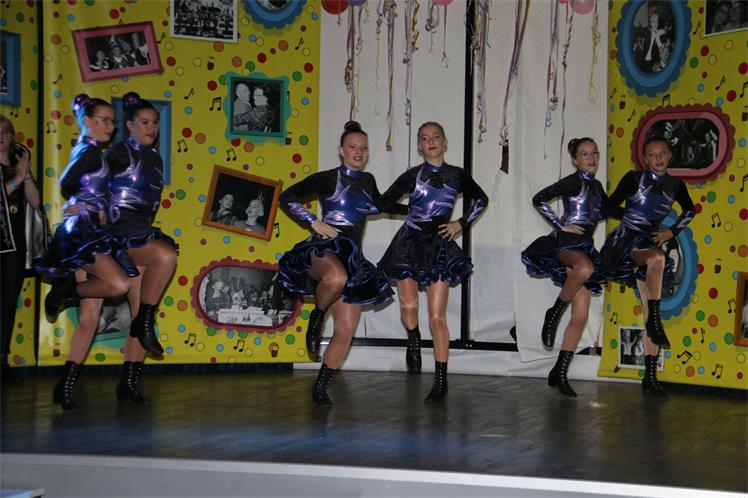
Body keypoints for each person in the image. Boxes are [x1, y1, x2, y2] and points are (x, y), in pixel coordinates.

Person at [278, 121, 406, 407]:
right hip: (323, 248)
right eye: (353, 147)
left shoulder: (368, 180)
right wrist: (313, 221)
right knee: (335, 278)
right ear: (341, 150)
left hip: (353, 259)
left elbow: (379, 205)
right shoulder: (328, 178)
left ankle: (320, 386)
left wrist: (413, 210)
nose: (358, 152)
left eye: (363, 148)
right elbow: (287, 197)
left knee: (346, 331)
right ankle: (316, 319)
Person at [34, 94, 135, 411]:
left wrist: (95, 207)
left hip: (89, 231)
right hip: (82, 233)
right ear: (87, 121)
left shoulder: (94, 152)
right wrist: (78, 203)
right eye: (103, 120)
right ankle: (65, 291)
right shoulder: (89, 151)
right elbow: (67, 182)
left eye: (113, 121)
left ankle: (64, 386)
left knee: (90, 318)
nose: (110, 126)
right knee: (118, 284)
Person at [377, 122, 488, 402]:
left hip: (439, 244)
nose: (431, 142)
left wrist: (460, 223)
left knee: (437, 315)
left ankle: (440, 379)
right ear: (419, 145)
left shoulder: (457, 175)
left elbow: (481, 199)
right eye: (425, 139)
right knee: (409, 306)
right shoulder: (412, 175)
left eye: (436, 137)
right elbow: (383, 202)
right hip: (409, 244)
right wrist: (411, 211)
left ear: (445, 141)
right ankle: (413, 336)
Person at [601, 135, 695, 399]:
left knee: (649, 307)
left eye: (662, 153)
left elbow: (690, 210)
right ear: (644, 159)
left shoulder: (675, 185)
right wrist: (630, 218)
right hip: (625, 242)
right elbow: (608, 207)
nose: (658, 158)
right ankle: (655, 320)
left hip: (648, 241)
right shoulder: (634, 179)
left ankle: (650, 377)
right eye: (652, 155)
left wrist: (672, 231)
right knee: (657, 259)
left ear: (670, 155)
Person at [521, 138, 614, 397]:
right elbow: (540, 199)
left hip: (584, 245)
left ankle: (559, 372)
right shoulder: (574, 182)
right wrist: (561, 225)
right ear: (575, 160)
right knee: (584, 269)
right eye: (585, 154)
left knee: (581, 315)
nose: (591, 158)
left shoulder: (596, 186)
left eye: (594, 153)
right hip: (566, 244)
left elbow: (606, 211)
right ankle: (554, 313)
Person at [104, 92, 179, 402]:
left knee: (138, 309)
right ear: (130, 125)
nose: (152, 128)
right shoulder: (118, 153)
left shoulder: (155, 158)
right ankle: (146, 320)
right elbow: (93, 187)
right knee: (166, 254)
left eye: (155, 122)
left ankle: (128, 383)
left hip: (142, 231)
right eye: (145, 122)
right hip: (120, 232)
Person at [0, 115, 41, 383]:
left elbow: (35, 202)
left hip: (14, 246)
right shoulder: (15, 171)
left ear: (12, 137)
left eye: (5, 131)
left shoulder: (19, 166)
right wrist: (18, 176)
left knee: (7, 304)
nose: (1, 135)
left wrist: (25, 175)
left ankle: (2, 360)